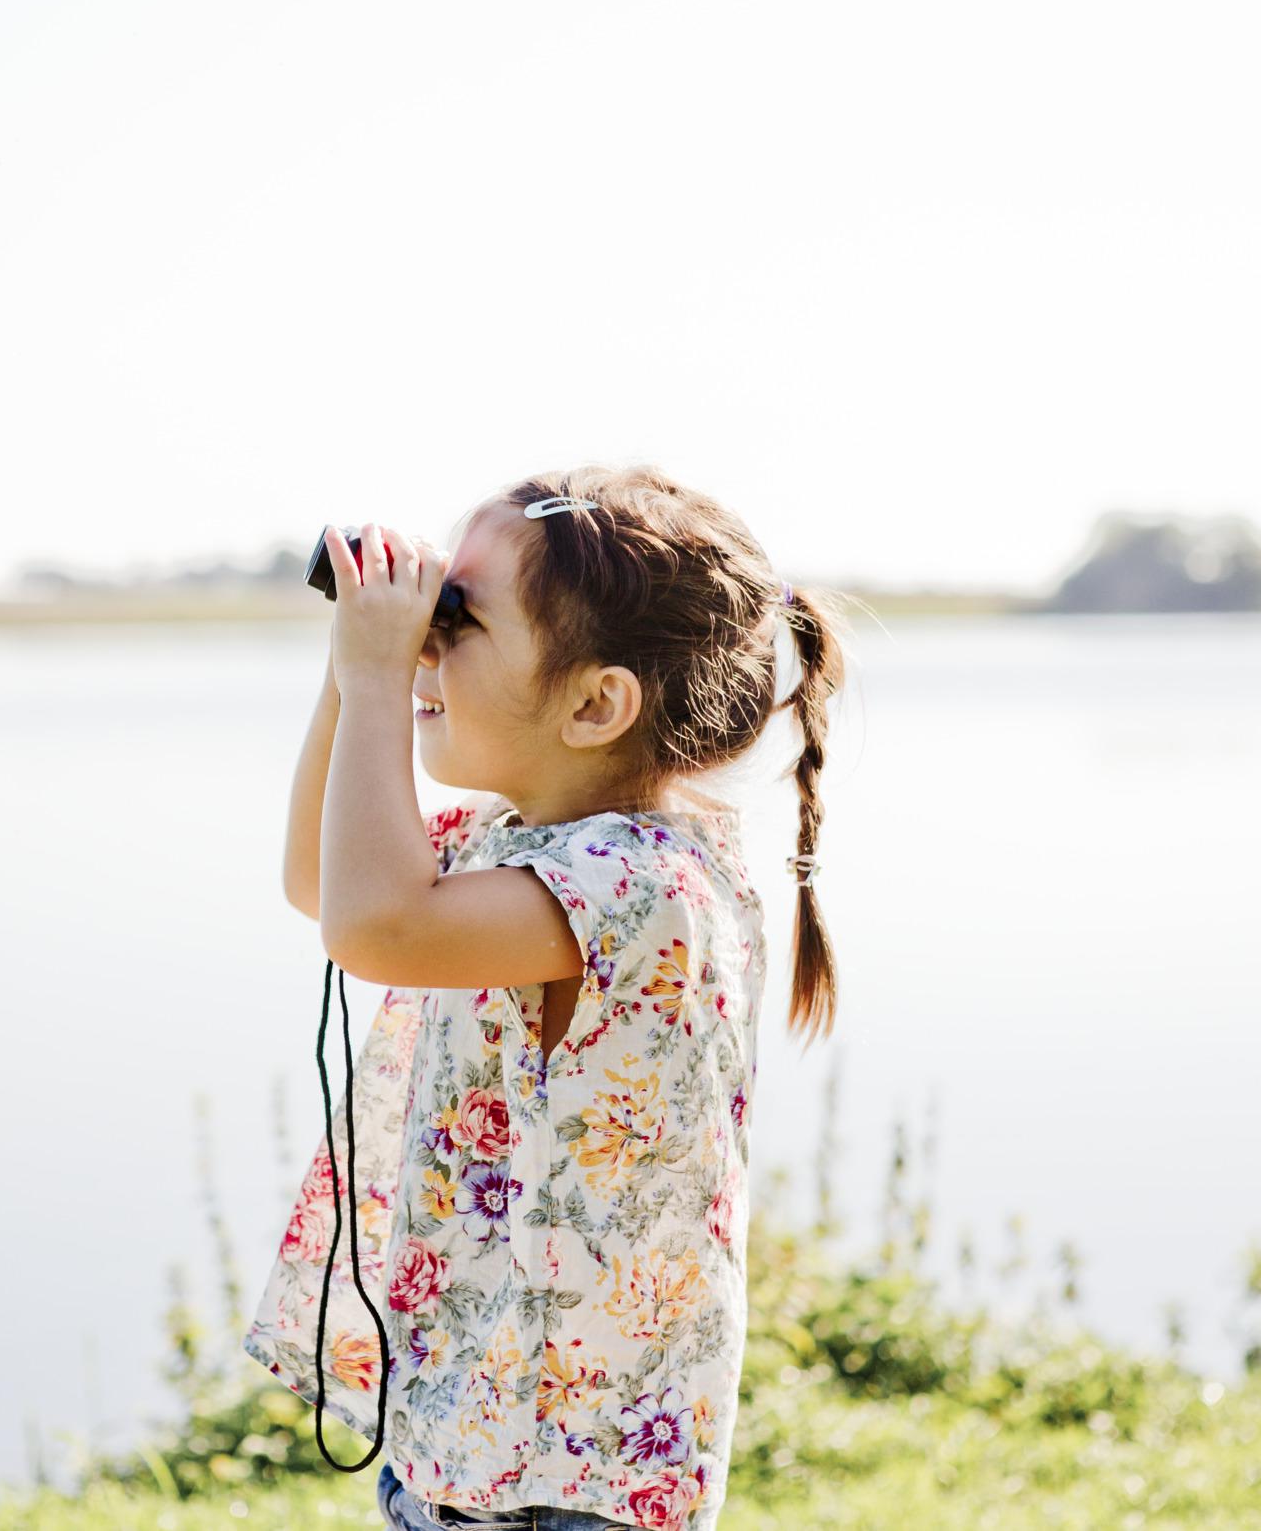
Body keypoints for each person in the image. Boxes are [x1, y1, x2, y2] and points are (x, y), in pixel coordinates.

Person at [245, 464, 849, 1531]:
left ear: (594, 703)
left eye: (456, 620)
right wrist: (356, 672)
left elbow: (372, 926)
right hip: (478, 1438)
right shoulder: (520, 846)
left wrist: (383, 679)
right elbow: (322, 884)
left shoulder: (641, 885)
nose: (425, 641)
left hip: (563, 1479)